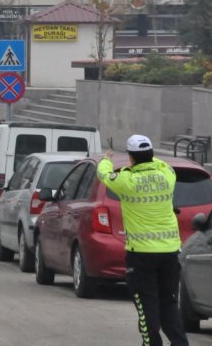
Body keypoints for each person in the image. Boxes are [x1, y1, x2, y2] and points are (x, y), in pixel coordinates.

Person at [97, 135, 188, 346]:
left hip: (141, 256)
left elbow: (103, 174)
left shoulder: (126, 181)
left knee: (146, 305)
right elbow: (161, 163)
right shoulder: (167, 176)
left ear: (130, 158)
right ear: (152, 155)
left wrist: (107, 159)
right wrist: (146, 160)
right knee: (169, 302)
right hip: (170, 253)